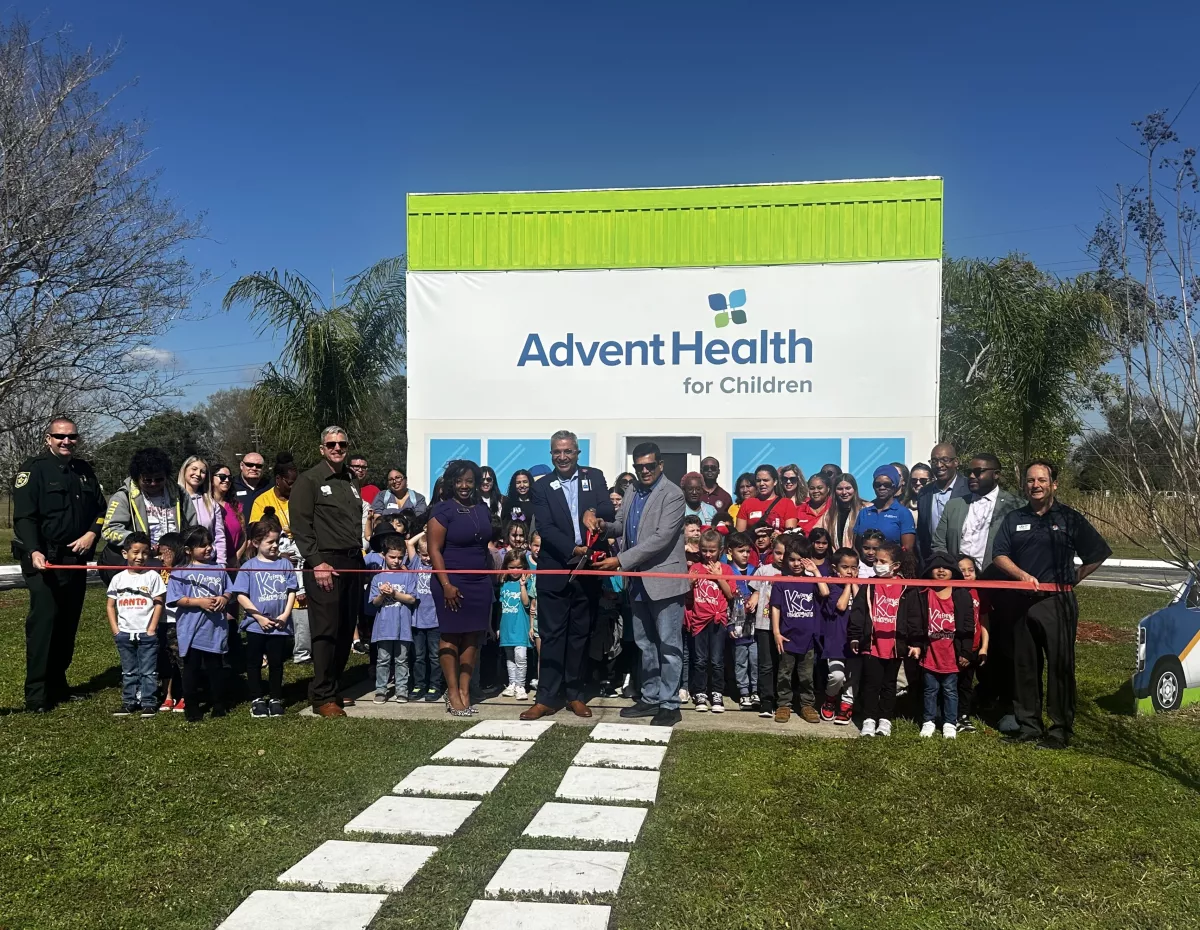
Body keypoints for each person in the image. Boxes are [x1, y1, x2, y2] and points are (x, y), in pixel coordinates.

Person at [991, 460, 1111, 749]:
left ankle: (1059, 729)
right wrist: (1020, 575)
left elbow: (1098, 552)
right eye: (1031, 480)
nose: (1036, 485)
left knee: (1060, 666)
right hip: (1022, 603)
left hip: (1057, 604)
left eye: (1042, 480)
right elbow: (999, 554)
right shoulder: (1013, 518)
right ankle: (1029, 725)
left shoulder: (1069, 518)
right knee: (1025, 666)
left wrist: (1073, 579)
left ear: (1053, 484)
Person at [12, 416, 107, 713]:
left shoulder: (83, 470)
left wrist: (93, 533)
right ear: (48, 438)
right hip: (44, 561)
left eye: (72, 437)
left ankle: (58, 685)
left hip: (74, 561)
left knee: (67, 624)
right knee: (44, 625)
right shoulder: (34, 469)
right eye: (60, 436)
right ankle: (37, 695)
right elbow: (24, 517)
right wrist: (34, 551)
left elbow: (101, 510)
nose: (66, 441)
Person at [594, 441, 689, 727]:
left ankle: (670, 704)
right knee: (644, 643)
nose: (645, 470)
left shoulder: (673, 494)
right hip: (637, 581)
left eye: (650, 465)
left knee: (669, 645)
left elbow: (661, 538)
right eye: (639, 467)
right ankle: (650, 697)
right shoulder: (632, 489)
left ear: (661, 465)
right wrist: (603, 526)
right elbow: (620, 524)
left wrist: (621, 560)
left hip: (664, 580)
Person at [522, 430, 615, 720]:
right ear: (551, 455)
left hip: (587, 572)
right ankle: (547, 697)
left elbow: (607, 508)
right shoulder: (542, 486)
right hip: (556, 568)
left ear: (577, 453)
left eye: (568, 452)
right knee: (551, 635)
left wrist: (591, 512)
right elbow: (545, 529)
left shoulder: (594, 477)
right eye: (557, 452)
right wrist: (575, 550)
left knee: (579, 635)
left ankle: (575, 694)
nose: (562, 457)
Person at [290, 426, 367, 718]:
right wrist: (317, 562)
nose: (337, 448)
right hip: (324, 563)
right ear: (321, 448)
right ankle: (322, 697)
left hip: (351, 561)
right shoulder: (309, 480)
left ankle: (332, 687)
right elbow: (301, 525)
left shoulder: (350, 479)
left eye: (342, 443)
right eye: (331, 444)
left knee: (347, 628)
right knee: (326, 630)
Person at [427, 459, 495, 717]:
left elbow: (485, 545)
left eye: (469, 480)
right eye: (459, 481)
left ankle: (466, 690)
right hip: (451, 580)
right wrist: (446, 584)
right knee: (451, 635)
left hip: (480, 581)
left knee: (472, 637)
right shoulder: (442, 510)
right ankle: (452, 691)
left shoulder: (482, 508)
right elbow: (434, 550)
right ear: (451, 483)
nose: (464, 486)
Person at [848, 540, 916, 737]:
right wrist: (854, 636)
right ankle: (869, 719)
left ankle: (885, 720)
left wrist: (914, 642)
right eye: (876, 560)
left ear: (895, 566)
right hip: (872, 644)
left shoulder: (906, 587)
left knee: (889, 684)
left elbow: (913, 616)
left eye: (883, 561)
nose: (878, 564)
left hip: (894, 645)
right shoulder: (869, 585)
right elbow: (858, 612)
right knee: (871, 684)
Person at [232, 515, 298, 718]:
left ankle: (276, 697)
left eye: (277, 541)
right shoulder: (248, 566)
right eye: (270, 542)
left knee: (277, 663)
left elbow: (291, 590)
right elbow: (241, 595)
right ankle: (257, 698)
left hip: (279, 624)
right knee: (253, 663)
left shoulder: (285, 564)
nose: (275, 546)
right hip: (255, 625)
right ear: (256, 542)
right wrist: (259, 617)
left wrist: (286, 614)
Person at [167, 526, 230, 722]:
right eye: (202, 546)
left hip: (215, 630)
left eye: (209, 544)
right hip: (191, 631)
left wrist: (225, 598)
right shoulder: (180, 572)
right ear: (188, 550)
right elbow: (175, 598)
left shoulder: (219, 569)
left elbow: (229, 590)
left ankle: (219, 704)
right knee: (191, 670)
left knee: (215, 669)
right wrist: (199, 602)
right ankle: (192, 707)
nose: (208, 548)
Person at [910, 553, 975, 740]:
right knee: (930, 689)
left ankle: (949, 723)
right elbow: (915, 620)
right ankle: (928, 721)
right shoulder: (922, 592)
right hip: (930, 652)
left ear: (953, 571)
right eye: (936, 567)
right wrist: (916, 644)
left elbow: (969, 624)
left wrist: (966, 651)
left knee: (950, 690)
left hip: (951, 653)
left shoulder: (962, 594)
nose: (940, 570)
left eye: (945, 567)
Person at [105, 531, 165, 717]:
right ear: (125, 554)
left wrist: (152, 628)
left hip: (146, 633)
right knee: (129, 671)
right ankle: (129, 702)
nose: (140, 557)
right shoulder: (118, 578)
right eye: (135, 552)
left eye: (145, 553)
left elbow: (159, 602)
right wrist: (116, 629)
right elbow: (110, 605)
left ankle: (148, 702)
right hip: (124, 633)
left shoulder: (152, 576)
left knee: (148, 671)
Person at [102, 447, 198, 559]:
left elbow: (193, 528)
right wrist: (141, 543)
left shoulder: (180, 494)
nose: (153, 484)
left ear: (166, 476)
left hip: (176, 561)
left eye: (159, 479)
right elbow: (109, 530)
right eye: (147, 480)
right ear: (137, 478)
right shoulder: (123, 497)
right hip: (142, 563)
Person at [932, 453, 1022, 572]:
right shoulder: (953, 505)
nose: (971, 476)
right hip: (959, 582)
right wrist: (953, 569)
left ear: (996, 474)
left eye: (978, 472)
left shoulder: (1015, 506)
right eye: (969, 472)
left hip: (997, 581)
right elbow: (939, 543)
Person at [769, 534, 822, 724]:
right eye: (792, 559)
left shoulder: (811, 580)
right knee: (784, 673)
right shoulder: (781, 582)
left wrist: (815, 572)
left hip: (808, 638)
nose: (796, 564)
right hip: (787, 636)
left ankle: (807, 704)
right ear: (785, 560)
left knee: (806, 675)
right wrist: (776, 632)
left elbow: (824, 592)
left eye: (800, 559)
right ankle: (784, 704)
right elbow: (776, 607)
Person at [685, 528, 735, 713]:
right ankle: (700, 693)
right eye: (704, 550)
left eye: (712, 551)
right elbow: (687, 595)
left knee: (716, 660)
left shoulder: (727, 569)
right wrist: (690, 584)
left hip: (718, 620)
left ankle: (716, 693)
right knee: (699, 660)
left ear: (720, 550)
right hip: (699, 620)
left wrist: (718, 576)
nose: (708, 554)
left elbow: (730, 594)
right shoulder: (695, 568)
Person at [367, 534, 418, 703]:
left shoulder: (409, 575)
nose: (396, 561)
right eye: (392, 557)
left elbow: (411, 599)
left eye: (400, 557)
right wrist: (382, 594)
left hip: (403, 626)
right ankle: (381, 690)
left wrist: (394, 593)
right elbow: (375, 603)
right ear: (384, 555)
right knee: (383, 660)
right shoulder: (378, 578)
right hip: (384, 627)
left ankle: (401, 690)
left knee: (402, 659)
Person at [816, 547, 860, 725]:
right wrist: (848, 584)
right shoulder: (832, 587)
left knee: (852, 677)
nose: (850, 571)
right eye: (845, 567)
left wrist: (854, 584)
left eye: (854, 567)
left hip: (855, 641)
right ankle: (830, 698)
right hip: (836, 641)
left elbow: (860, 604)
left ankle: (846, 704)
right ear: (835, 568)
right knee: (837, 676)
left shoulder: (861, 586)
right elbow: (841, 606)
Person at [916, 442, 970, 567]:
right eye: (934, 461)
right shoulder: (924, 493)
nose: (939, 465)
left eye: (945, 460)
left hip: (963, 562)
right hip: (933, 563)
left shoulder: (969, 489)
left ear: (956, 462)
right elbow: (922, 533)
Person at [749, 536, 785, 718]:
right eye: (778, 553)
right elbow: (755, 589)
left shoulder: (793, 573)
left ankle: (783, 701)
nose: (781, 558)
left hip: (786, 626)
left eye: (785, 554)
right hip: (764, 624)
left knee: (784, 665)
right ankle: (766, 701)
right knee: (766, 665)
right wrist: (754, 596)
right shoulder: (763, 570)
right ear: (772, 552)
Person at [955, 555, 990, 732]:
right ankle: (946, 714)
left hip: (975, 646)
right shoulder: (951, 591)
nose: (968, 574)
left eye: (971, 570)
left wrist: (984, 647)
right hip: (955, 647)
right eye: (962, 571)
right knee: (951, 683)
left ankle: (963, 716)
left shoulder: (979, 592)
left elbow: (984, 620)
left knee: (966, 683)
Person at [407, 534, 444, 701]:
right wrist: (427, 531)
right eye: (424, 554)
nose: (427, 558)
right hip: (417, 620)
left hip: (435, 620)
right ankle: (419, 684)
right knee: (418, 656)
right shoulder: (416, 563)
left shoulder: (438, 566)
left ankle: (435, 686)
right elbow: (409, 543)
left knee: (435, 656)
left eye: (430, 554)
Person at [725, 532, 758, 710]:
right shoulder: (727, 571)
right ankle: (743, 691)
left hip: (755, 627)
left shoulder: (756, 571)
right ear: (730, 551)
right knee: (740, 661)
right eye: (741, 551)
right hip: (737, 626)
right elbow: (725, 601)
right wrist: (729, 624)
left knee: (755, 659)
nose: (745, 554)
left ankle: (755, 690)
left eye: (747, 551)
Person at [155, 532, 187, 712]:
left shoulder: (184, 570)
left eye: (165, 552)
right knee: (165, 659)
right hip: (161, 621)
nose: (161, 557)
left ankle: (184, 694)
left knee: (181, 659)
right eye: (159, 553)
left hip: (179, 621)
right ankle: (167, 695)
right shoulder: (157, 571)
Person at [178, 456, 228, 568]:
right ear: (184, 470)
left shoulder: (211, 503)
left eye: (203, 471)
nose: (198, 474)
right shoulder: (174, 501)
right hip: (181, 565)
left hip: (208, 564)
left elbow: (219, 536)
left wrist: (221, 563)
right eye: (194, 469)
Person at [498, 551, 534, 701]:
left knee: (521, 657)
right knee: (510, 658)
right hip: (507, 627)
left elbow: (526, 603)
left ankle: (520, 685)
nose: (515, 571)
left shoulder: (527, 582)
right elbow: (501, 607)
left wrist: (523, 586)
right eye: (512, 567)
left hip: (520, 628)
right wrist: (498, 627)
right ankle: (512, 683)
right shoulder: (504, 584)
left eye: (519, 567)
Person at [854, 465, 916, 549]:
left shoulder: (903, 513)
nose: (882, 488)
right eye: (877, 484)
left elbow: (907, 549)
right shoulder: (863, 513)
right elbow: (856, 546)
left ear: (894, 486)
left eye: (887, 484)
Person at [735, 465, 799, 534]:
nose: (762, 484)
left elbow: (791, 536)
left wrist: (779, 537)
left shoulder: (787, 503)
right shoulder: (747, 503)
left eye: (766, 480)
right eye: (758, 481)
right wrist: (753, 533)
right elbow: (739, 536)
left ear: (775, 482)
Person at [249, 454, 299, 528]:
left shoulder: (301, 497)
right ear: (278, 479)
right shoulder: (262, 501)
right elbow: (255, 529)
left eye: (297, 483)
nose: (294, 487)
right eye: (290, 483)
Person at [210, 464, 245, 565]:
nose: (226, 480)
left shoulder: (236, 506)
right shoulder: (204, 504)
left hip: (232, 564)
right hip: (209, 564)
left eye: (230, 478)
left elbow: (243, 536)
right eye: (222, 477)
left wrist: (236, 558)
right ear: (211, 479)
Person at [820, 473, 864, 550]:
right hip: (836, 558)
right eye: (840, 489)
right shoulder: (829, 514)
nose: (844, 492)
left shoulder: (865, 510)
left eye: (848, 488)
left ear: (854, 489)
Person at [232, 452, 270, 517]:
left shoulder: (270, 484)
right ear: (241, 465)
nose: (254, 468)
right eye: (249, 465)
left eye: (259, 466)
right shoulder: (231, 485)